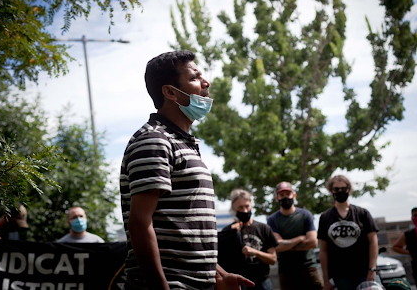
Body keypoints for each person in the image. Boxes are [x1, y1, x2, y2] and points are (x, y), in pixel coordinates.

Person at [120, 50, 254, 290]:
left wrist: (220, 276)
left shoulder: (184, 143)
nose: (206, 83)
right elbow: (139, 223)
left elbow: (187, 230)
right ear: (170, 92)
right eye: (194, 77)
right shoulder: (154, 140)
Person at [317, 175, 379, 290]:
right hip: (340, 275)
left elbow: (373, 242)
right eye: (336, 189)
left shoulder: (363, 214)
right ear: (331, 191)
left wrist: (372, 269)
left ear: (349, 190)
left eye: (343, 188)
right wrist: (325, 280)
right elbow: (323, 250)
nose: (340, 191)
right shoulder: (325, 217)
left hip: (364, 272)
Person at [267, 181, 323, 290]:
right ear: (276, 198)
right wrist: (300, 238)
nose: (285, 197)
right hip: (286, 270)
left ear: (294, 195)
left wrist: (286, 245)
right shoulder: (272, 220)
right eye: (281, 195)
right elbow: (277, 246)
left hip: (309, 268)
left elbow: (312, 242)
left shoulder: (305, 215)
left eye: (288, 194)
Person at [220, 189, 277, 290]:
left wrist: (254, 252)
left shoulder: (263, 228)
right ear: (234, 208)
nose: (245, 211)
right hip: (240, 283)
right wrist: (231, 232)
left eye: (247, 206)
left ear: (251, 205)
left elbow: (273, 259)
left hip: (262, 282)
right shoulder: (229, 231)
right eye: (240, 207)